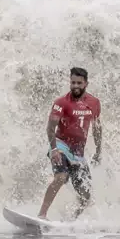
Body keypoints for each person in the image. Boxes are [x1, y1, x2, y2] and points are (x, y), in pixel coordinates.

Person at [37, 67, 102, 220]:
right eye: (73, 82)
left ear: (86, 83)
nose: (75, 86)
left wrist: (99, 151)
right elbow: (50, 127)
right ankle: (42, 214)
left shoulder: (94, 103)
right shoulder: (61, 102)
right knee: (61, 176)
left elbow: (97, 128)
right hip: (61, 145)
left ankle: (71, 220)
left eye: (79, 83)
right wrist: (53, 149)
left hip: (78, 152)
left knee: (86, 196)